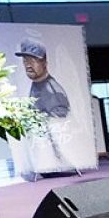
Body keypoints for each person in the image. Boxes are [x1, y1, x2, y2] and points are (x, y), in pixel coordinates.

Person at [16, 39, 74, 176]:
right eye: (25, 61)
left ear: (45, 63)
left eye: (33, 60)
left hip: (54, 158)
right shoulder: (37, 85)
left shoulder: (52, 90)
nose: (28, 65)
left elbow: (61, 117)